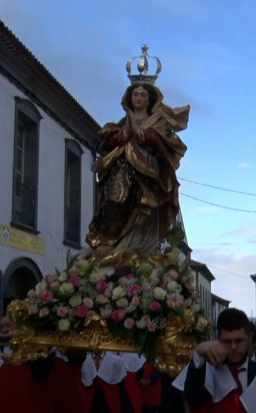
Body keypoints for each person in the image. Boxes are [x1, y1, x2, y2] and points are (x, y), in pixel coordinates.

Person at [86, 50, 189, 258]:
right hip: (122, 169)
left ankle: (137, 246)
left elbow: (159, 141)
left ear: (149, 99)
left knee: (143, 208)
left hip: (147, 173)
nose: (139, 98)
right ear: (129, 97)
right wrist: (124, 133)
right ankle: (113, 243)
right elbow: (110, 141)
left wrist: (140, 133)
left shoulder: (158, 122)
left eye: (143, 95)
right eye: (135, 94)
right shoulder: (123, 122)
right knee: (114, 200)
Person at [0, 316, 60, 413]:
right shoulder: (2, 353)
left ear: (22, 328)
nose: (4, 330)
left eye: (8, 325)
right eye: (2, 327)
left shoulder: (39, 356)